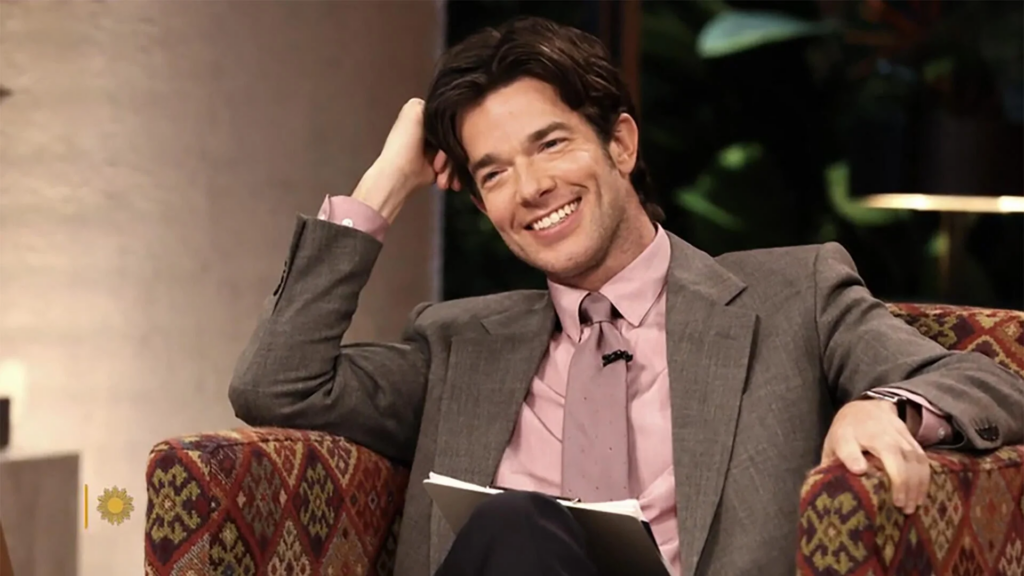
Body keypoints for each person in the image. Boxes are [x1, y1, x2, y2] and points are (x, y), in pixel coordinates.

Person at [228, 16, 1024, 576]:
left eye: (550, 144)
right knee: (517, 526)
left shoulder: (793, 295)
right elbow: (277, 384)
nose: (531, 188)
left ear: (621, 143)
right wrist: (382, 188)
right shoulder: (458, 343)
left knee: (515, 519)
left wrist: (886, 408)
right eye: (494, 173)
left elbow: (991, 383)